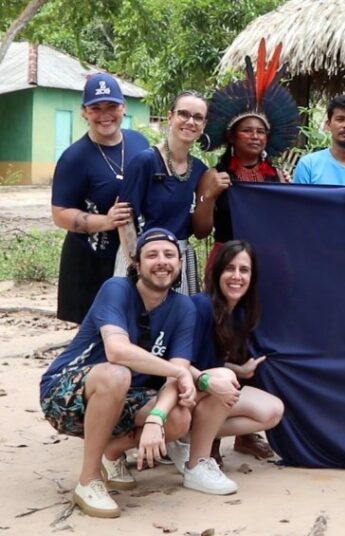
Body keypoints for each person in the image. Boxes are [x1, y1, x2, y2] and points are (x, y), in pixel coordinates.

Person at [39, 228, 197, 518]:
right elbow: (117, 351)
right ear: (135, 263)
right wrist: (179, 370)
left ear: (180, 263)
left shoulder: (184, 307)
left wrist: (156, 420)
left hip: (125, 397)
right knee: (117, 374)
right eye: (152, 255)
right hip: (65, 392)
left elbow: (180, 375)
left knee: (179, 417)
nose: (162, 261)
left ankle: (112, 453)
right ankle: (88, 480)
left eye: (169, 255)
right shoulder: (117, 288)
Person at [193, 38, 301, 278]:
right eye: (247, 131)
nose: (255, 136)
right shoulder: (213, 175)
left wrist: (288, 193)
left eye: (260, 131)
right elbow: (201, 232)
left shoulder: (277, 176)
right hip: (227, 263)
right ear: (232, 137)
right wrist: (209, 196)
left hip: (268, 262)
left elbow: (287, 225)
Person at [50, 72, 150, 323]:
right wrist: (107, 221)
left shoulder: (139, 143)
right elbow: (60, 214)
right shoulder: (74, 158)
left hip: (134, 258)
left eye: (112, 106)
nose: (105, 114)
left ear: (123, 107)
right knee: (94, 338)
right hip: (89, 263)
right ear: (85, 112)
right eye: (96, 108)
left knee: (136, 329)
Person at [185, 241, 284, 472]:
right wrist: (216, 378)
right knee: (226, 377)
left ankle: (193, 437)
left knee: (273, 410)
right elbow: (178, 363)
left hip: (208, 392)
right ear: (218, 272)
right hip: (182, 394)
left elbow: (211, 361)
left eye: (244, 270)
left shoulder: (240, 313)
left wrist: (239, 370)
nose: (236, 276)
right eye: (230, 268)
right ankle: (191, 443)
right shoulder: (200, 306)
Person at [117, 91, 210, 295]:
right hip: (143, 258)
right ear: (170, 117)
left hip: (179, 259)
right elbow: (125, 219)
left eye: (198, 117)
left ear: (204, 125)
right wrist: (137, 264)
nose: (190, 122)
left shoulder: (200, 170)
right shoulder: (145, 162)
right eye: (183, 114)